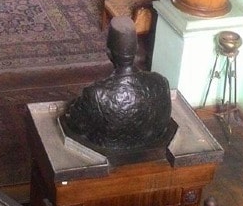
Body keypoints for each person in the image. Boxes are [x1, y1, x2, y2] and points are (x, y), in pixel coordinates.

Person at [60, 16, 173, 152]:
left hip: (109, 153)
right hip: (150, 147)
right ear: (136, 48)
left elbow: (75, 124)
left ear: (109, 52)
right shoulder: (161, 83)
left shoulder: (97, 95)